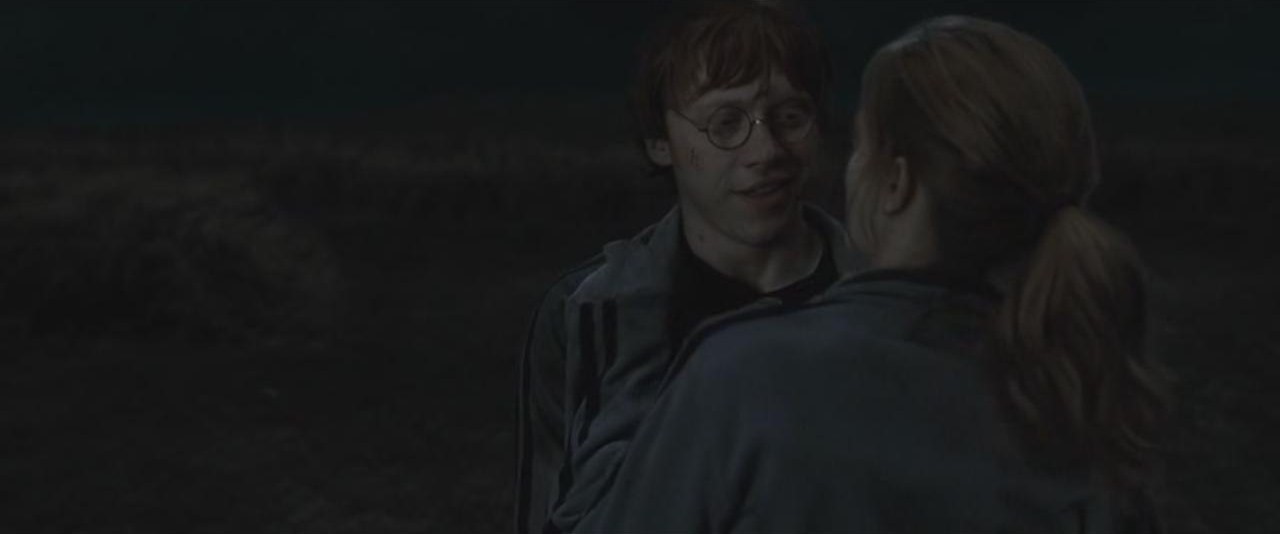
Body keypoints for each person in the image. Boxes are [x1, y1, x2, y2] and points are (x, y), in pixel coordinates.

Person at [574, 15, 1172, 533]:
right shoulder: (1078, 401)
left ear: (897, 183)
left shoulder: (741, 380)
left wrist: (632, 355)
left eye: (862, 146)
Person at [513, 2, 866, 533]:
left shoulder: (883, 297)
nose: (766, 150)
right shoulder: (586, 314)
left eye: (791, 117)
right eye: (726, 123)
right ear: (660, 141)